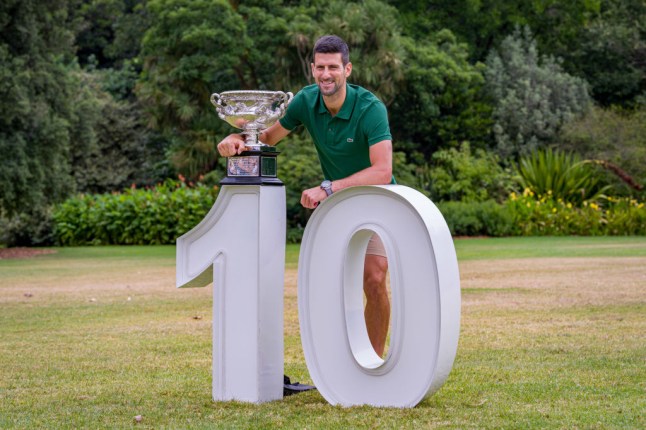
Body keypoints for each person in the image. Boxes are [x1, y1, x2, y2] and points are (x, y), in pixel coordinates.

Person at [216, 35, 393, 357]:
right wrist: (236, 138)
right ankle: (339, 360)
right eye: (321, 67)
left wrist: (328, 187)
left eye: (334, 68)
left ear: (347, 69)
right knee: (329, 284)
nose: (327, 74)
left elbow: (382, 171)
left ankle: (375, 359)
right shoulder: (305, 102)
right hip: (338, 203)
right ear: (312, 69)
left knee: (374, 278)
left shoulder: (370, 108)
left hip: (378, 199)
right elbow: (266, 138)